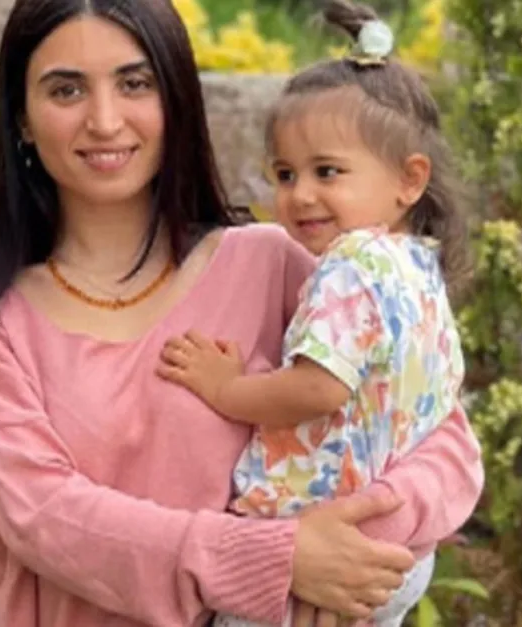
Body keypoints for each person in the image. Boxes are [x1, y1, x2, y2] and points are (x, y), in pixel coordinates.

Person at [0, 0, 484, 626]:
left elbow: (437, 436)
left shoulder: (273, 265)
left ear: (176, 100)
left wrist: (351, 552)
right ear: (22, 118)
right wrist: (274, 561)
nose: (104, 121)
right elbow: (45, 516)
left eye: (135, 83)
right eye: (66, 90)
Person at [156, 1, 472, 625]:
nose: (300, 195)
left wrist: (226, 388)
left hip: (325, 540)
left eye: (327, 171)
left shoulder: (350, 266)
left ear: (409, 181)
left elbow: (318, 388)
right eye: (285, 174)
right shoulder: (418, 266)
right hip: (401, 546)